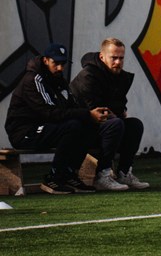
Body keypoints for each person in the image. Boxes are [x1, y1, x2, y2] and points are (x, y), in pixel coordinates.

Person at [4, 43, 107, 194]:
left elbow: (71, 106)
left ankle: (69, 174)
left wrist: (92, 115)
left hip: (47, 127)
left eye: (63, 64)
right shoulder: (33, 79)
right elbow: (50, 113)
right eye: (56, 63)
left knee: (88, 126)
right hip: (24, 132)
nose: (60, 68)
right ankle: (53, 178)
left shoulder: (58, 80)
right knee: (73, 126)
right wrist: (86, 114)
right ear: (46, 61)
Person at [70, 38, 149, 191]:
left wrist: (115, 112)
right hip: (81, 128)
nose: (118, 62)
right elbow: (97, 111)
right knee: (115, 123)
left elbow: (120, 107)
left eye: (121, 58)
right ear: (102, 57)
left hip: (105, 126)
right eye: (114, 58)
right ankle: (103, 175)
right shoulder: (88, 76)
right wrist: (115, 112)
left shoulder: (121, 77)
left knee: (135, 125)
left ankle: (124, 172)